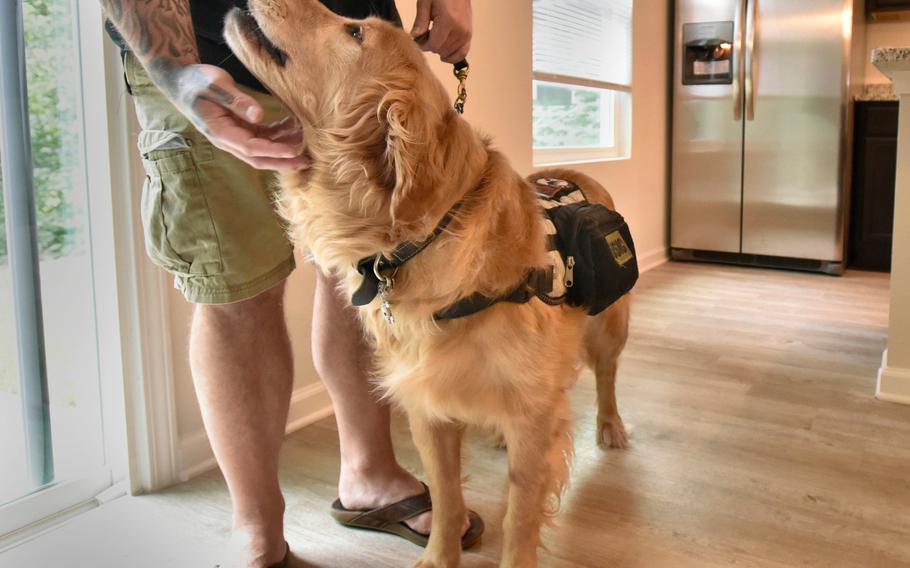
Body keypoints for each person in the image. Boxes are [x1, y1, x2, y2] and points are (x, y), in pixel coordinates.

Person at [100, 1, 474, 567]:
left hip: (348, 57)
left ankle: (370, 476)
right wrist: (176, 69)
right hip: (197, 51)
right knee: (236, 290)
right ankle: (256, 526)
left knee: (363, 276)